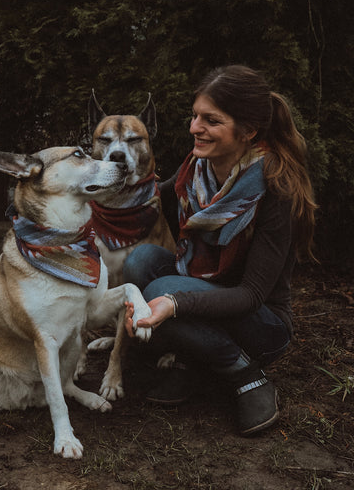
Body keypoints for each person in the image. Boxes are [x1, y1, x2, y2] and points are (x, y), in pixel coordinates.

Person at [122, 64, 317, 436]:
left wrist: (175, 304)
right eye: (195, 116)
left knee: (160, 291)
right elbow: (145, 200)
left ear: (248, 131)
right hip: (205, 293)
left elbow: (251, 295)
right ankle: (194, 358)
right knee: (141, 262)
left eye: (211, 120)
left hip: (262, 323)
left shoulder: (277, 188)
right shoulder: (198, 167)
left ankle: (244, 372)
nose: (195, 128)